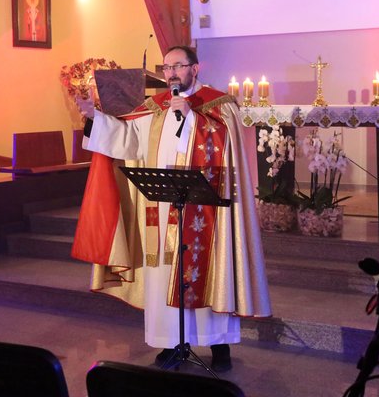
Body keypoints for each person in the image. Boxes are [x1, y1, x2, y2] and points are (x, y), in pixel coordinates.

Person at [71, 45, 271, 372]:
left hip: (208, 210)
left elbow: (226, 143)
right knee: (164, 273)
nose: (171, 73)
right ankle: (173, 342)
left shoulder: (219, 104)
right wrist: (96, 118)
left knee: (210, 269)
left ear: (195, 68)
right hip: (162, 208)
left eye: (178, 66)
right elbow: (128, 139)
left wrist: (191, 116)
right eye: (167, 68)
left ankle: (218, 345)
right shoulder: (156, 107)